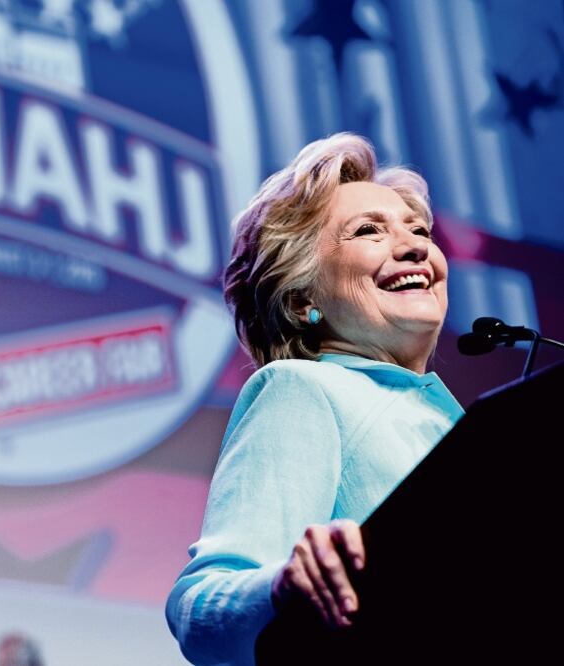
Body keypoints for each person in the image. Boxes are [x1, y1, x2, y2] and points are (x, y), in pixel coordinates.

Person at [164, 133, 466, 666]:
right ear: (304, 298)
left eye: (419, 230)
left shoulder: (454, 421)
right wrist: (283, 587)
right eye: (368, 231)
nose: (417, 245)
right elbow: (200, 607)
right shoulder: (303, 390)